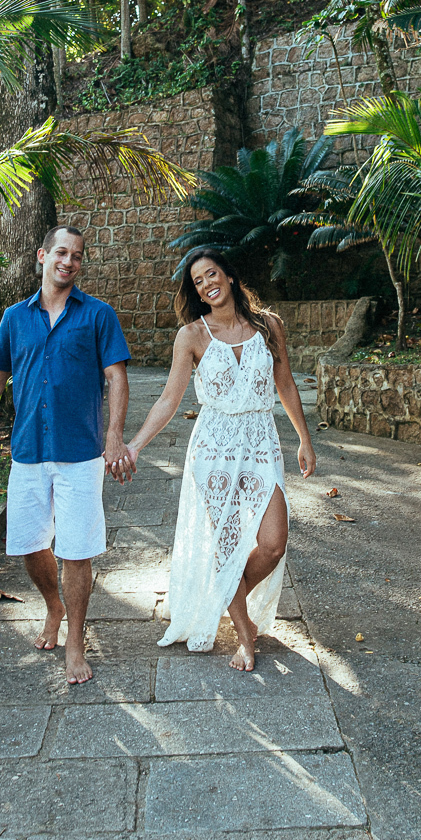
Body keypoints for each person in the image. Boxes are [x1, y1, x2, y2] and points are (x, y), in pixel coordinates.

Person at [125, 248, 316, 671]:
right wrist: (135, 445)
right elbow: (169, 399)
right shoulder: (192, 336)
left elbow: (284, 382)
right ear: (196, 292)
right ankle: (244, 634)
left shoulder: (268, 325)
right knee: (226, 545)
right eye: (198, 281)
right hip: (213, 450)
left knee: (273, 543)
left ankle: (228, 595)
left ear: (229, 276)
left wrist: (304, 439)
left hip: (261, 443)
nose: (207, 284)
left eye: (211, 274)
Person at [0, 225, 134, 684]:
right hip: (28, 450)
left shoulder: (97, 315)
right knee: (29, 544)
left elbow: (116, 377)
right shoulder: (15, 318)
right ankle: (53, 605)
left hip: (80, 452)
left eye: (76, 255)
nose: (68, 261)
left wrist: (114, 436)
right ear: (42, 256)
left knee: (77, 551)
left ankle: (75, 641)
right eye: (61, 252)